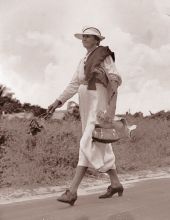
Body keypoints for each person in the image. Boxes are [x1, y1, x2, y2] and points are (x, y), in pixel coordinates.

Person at [48, 26, 124, 206]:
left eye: (88, 36)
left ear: (97, 40)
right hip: (86, 103)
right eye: (83, 36)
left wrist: (108, 104)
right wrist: (57, 102)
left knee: (87, 141)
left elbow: (116, 78)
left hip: (99, 101)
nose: (84, 39)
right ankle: (115, 183)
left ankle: (72, 191)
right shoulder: (82, 60)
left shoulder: (103, 55)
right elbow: (74, 84)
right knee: (99, 142)